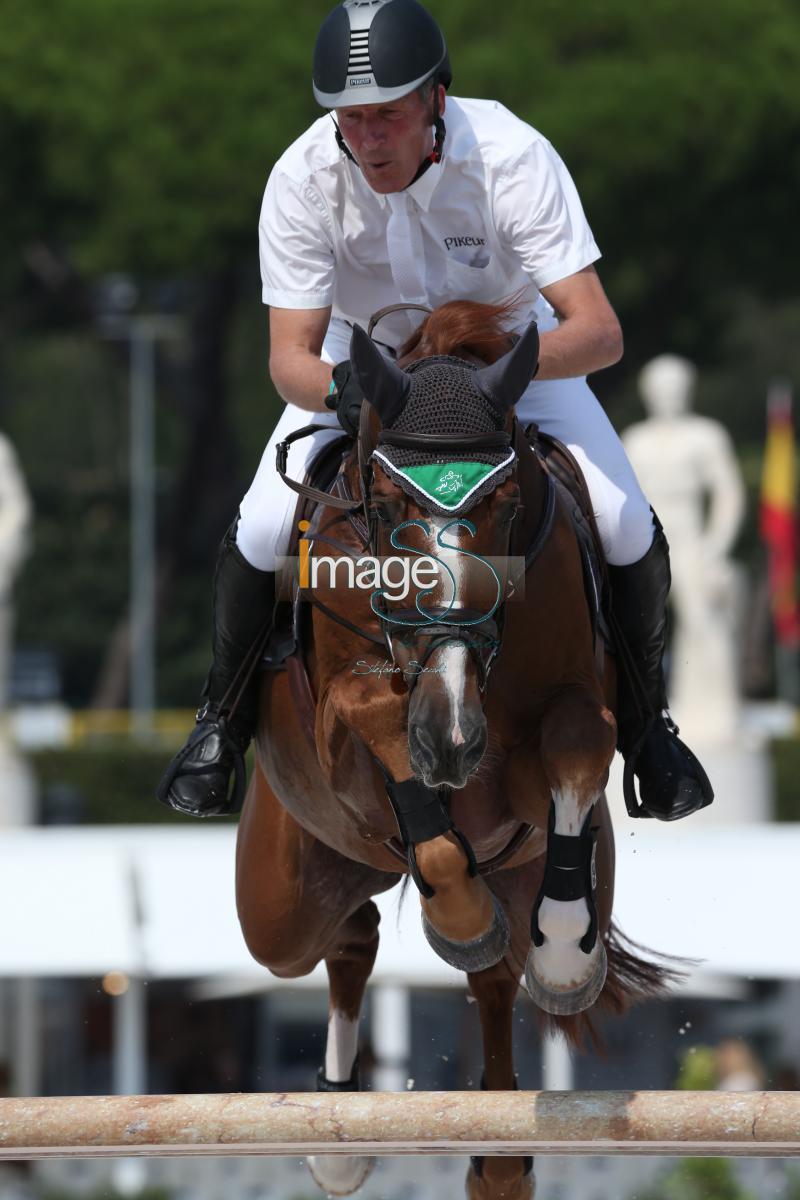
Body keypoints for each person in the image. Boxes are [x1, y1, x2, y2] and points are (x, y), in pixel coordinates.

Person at [158, 0, 712, 823]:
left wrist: (493, 375)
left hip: (510, 361)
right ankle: (218, 723)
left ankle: (648, 728)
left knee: (627, 522)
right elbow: (288, 358)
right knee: (264, 526)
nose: (368, 139)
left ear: (436, 103)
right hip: (369, 367)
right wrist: (351, 391)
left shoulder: (514, 158)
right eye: (352, 119)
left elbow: (598, 331)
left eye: (387, 116)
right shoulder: (303, 178)